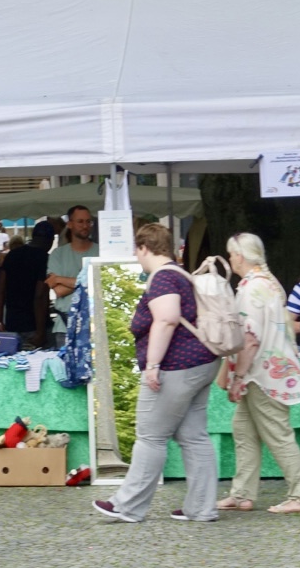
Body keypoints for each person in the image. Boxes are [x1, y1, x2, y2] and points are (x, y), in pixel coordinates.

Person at [93, 224, 219, 523]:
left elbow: (166, 319)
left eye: (137, 252)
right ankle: (202, 508)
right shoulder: (182, 275)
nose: (137, 258)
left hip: (177, 367)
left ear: (143, 248)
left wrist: (152, 365)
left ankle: (128, 505)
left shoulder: (162, 278)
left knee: (150, 436)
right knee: (194, 436)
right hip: (203, 362)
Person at [217, 233, 300, 514]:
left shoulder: (250, 290)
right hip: (270, 372)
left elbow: (249, 340)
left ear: (242, 256)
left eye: (232, 254)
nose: (231, 259)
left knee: (277, 434)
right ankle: (242, 494)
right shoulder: (268, 285)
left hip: (262, 375)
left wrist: (238, 377)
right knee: (244, 430)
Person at [0, 220, 54, 349]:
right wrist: (41, 331)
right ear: (50, 240)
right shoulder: (44, 258)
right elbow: (39, 295)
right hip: (34, 326)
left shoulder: (12, 255)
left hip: (12, 324)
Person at [47, 205, 100, 348]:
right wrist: (89, 279)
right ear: (70, 224)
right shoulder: (57, 254)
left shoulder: (101, 253)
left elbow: (102, 282)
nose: (85, 226)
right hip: (64, 327)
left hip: (96, 326)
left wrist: (59, 279)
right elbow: (59, 291)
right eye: (80, 221)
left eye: (88, 222)